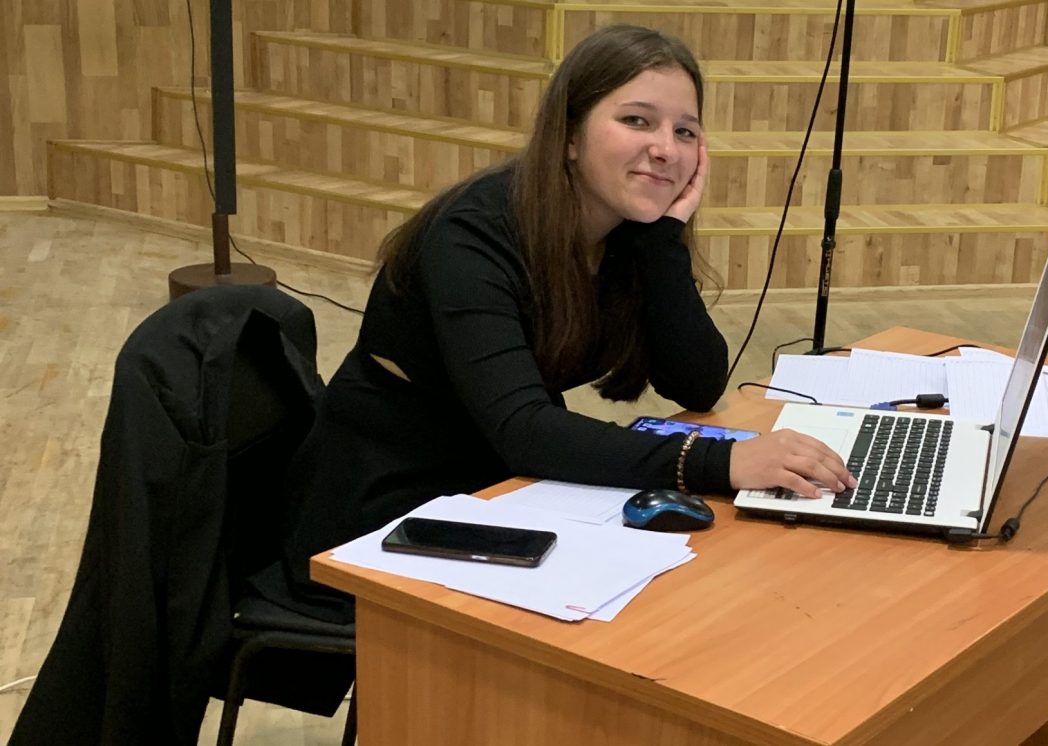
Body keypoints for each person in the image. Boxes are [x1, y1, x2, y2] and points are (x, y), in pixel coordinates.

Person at [253, 24, 854, 620]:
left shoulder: (627, 233)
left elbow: (695, 384)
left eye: (685, 131)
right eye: (637, 120)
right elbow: (524, 428)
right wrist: (717, 463)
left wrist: (663, 240)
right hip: (386, 507)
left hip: (503, 483)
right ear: (569, 136)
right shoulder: (471, 234)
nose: (666, 149)